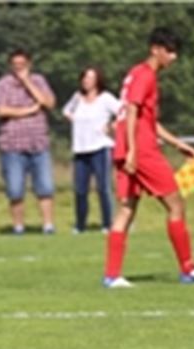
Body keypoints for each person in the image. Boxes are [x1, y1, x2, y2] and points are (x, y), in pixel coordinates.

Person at [103, 28, 194, 289]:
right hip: (142, 151)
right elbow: (132, 112)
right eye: (169, 51)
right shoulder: (145, 76)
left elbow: (148, 121)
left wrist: (179, 145)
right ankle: (188, 269)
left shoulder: (135, 73)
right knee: (176, 204)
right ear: (155, 49)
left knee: (126, 210)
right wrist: (134, 150)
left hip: (126, 148)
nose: (174, 57)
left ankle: (112, 276)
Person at [0, 48, 57, 235]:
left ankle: (48, 225)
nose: (19, 68)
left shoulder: (39, 81)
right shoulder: (3, 84)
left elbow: (48, 103)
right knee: (15, 189)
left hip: (38, 143)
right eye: (15, 65)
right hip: (12, 145)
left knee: (45, 186)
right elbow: (1, 110)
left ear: (29, 64)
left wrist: (27, 82)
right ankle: (18, 226)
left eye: (22, 64)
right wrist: (28, 111)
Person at [62, 66, 121, 234]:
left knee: (103, 187)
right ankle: (80, 225)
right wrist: (77, 123)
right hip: (80, 149)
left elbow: (123, 112)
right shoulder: (77, 97)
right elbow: (66, 111)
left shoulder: (105, 98)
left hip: (100, 147)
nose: (86, 81)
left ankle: (108, 224)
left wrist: (111, 126)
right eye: (84, 77)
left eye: (90, 77)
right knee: (80, 190)